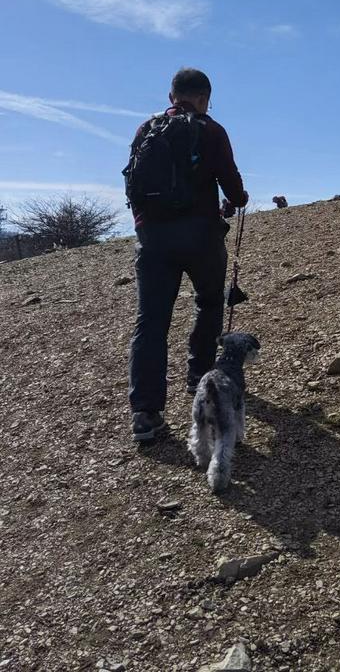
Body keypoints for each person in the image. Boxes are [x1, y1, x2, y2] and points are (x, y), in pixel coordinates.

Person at [128, 68, 248, 442]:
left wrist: (146, 226)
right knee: (210, 301)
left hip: (154, 240)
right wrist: (237, 199)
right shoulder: (212, 131)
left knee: (151, 322)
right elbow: (233, 186)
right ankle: (199, 378)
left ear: (171, 97)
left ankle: (146, 414)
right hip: (201, 238)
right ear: (204, 98)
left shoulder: (146, 130)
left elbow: (133, 183)